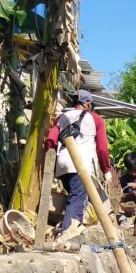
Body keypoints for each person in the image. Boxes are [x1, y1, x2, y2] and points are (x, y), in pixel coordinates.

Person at [45, 89, 111, 233]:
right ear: (87, 104)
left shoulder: (62, 118)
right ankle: (69, 234)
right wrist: (106, 170)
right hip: (80, 165)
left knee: (75, 195)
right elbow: (102, 149)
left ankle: (68, 227)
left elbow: (50, 140)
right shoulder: (95, 119)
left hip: (62, 166)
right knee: (78, 197)